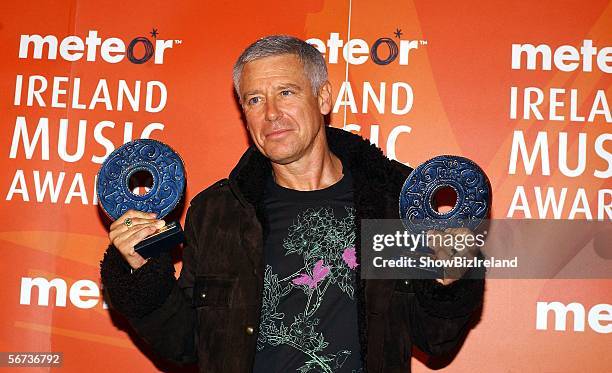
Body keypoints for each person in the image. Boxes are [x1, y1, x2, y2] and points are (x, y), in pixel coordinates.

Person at [100, 35, 484, 373]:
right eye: (254, 99)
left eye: (286, 92)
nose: (270, 114)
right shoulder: (219, 213)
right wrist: (141, 271)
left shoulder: (392, 201)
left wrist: (450, 281)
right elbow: (185, 344)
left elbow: (436, 339)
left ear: (323, 97)